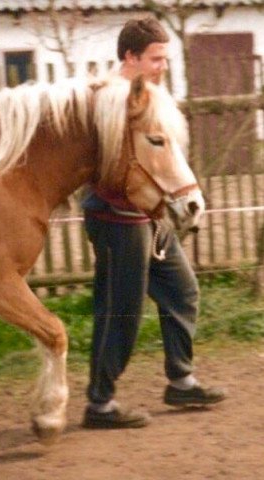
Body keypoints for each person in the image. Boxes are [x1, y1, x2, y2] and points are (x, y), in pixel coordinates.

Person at [81, 15, 226, 429]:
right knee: (120, 311)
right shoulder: (108, 97)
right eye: (156, 58)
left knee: (182, 290)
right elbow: (107, 164)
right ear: (130, 56)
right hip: (115, 216)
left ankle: (181, 380)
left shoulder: (148, 96)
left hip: (150, 213)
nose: (163, 66)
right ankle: (101, 404)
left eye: (165, 58)